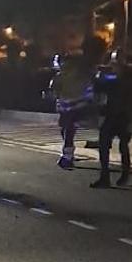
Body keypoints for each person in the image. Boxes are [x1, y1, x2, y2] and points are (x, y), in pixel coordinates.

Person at [50, 36, 103, 169]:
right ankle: (69, 152)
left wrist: (90, 98)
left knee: (69, 129)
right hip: (64, 104)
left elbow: (90, 83)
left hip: (77, 104)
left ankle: (67, 156)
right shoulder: (60, 75)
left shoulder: (80, 72)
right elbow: (54, 88)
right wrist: (55, 96)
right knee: (65, 129)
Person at [90, 62, 131, 188]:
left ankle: (108, 177)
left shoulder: (117, 82)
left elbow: (98, 86)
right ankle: (122, 175)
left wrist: (96, 74)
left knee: (108, 145)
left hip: (116, 116)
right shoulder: (123, 80)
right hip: (122, 116)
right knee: (121, 146)